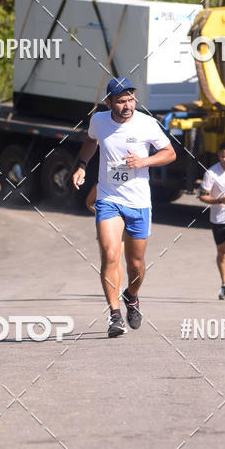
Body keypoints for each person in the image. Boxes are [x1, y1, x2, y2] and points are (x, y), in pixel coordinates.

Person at [72, 77, 176, 337]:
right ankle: (114, 315)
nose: (127, 105)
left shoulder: (147, 124)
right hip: (109, 198)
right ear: (109, 102)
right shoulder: (99, 121)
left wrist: (144, 162)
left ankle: (132, 296)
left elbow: (170, 153)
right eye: (120, 101)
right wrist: (82, 166)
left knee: (136, 264)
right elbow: (90, 141)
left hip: (139, 202)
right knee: (109, 254)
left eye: (130, 100)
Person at [198, 141, 225, 300]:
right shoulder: (211, 173)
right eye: (224, 156)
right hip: (218, 218)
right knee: (222, 252)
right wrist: (219, 201)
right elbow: (202, 195)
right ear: (219, 156)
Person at [85, 183, 125, 301]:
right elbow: (89, 203)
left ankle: (118, 289)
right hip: (107, 227)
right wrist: (105, 214)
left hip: (122, 227)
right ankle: (112, 289)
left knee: (117, 259)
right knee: (107, 260)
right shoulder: (101, 185)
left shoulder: (131, 187)